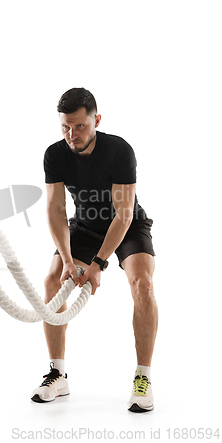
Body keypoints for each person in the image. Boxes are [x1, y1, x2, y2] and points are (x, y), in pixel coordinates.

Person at [31, 88, 158, 412]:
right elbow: (56, 210)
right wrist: (68, 258)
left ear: (96, 120)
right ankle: (58, 374)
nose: (72, 135)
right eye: (65, 127)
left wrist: (99, 264)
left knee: (142, 284)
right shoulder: (55, 155)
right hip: (85, 227)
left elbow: (124, 213)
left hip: (127, 226)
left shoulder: (119, 151)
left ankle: (142, 379)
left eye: (80, 127)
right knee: (52, 280)